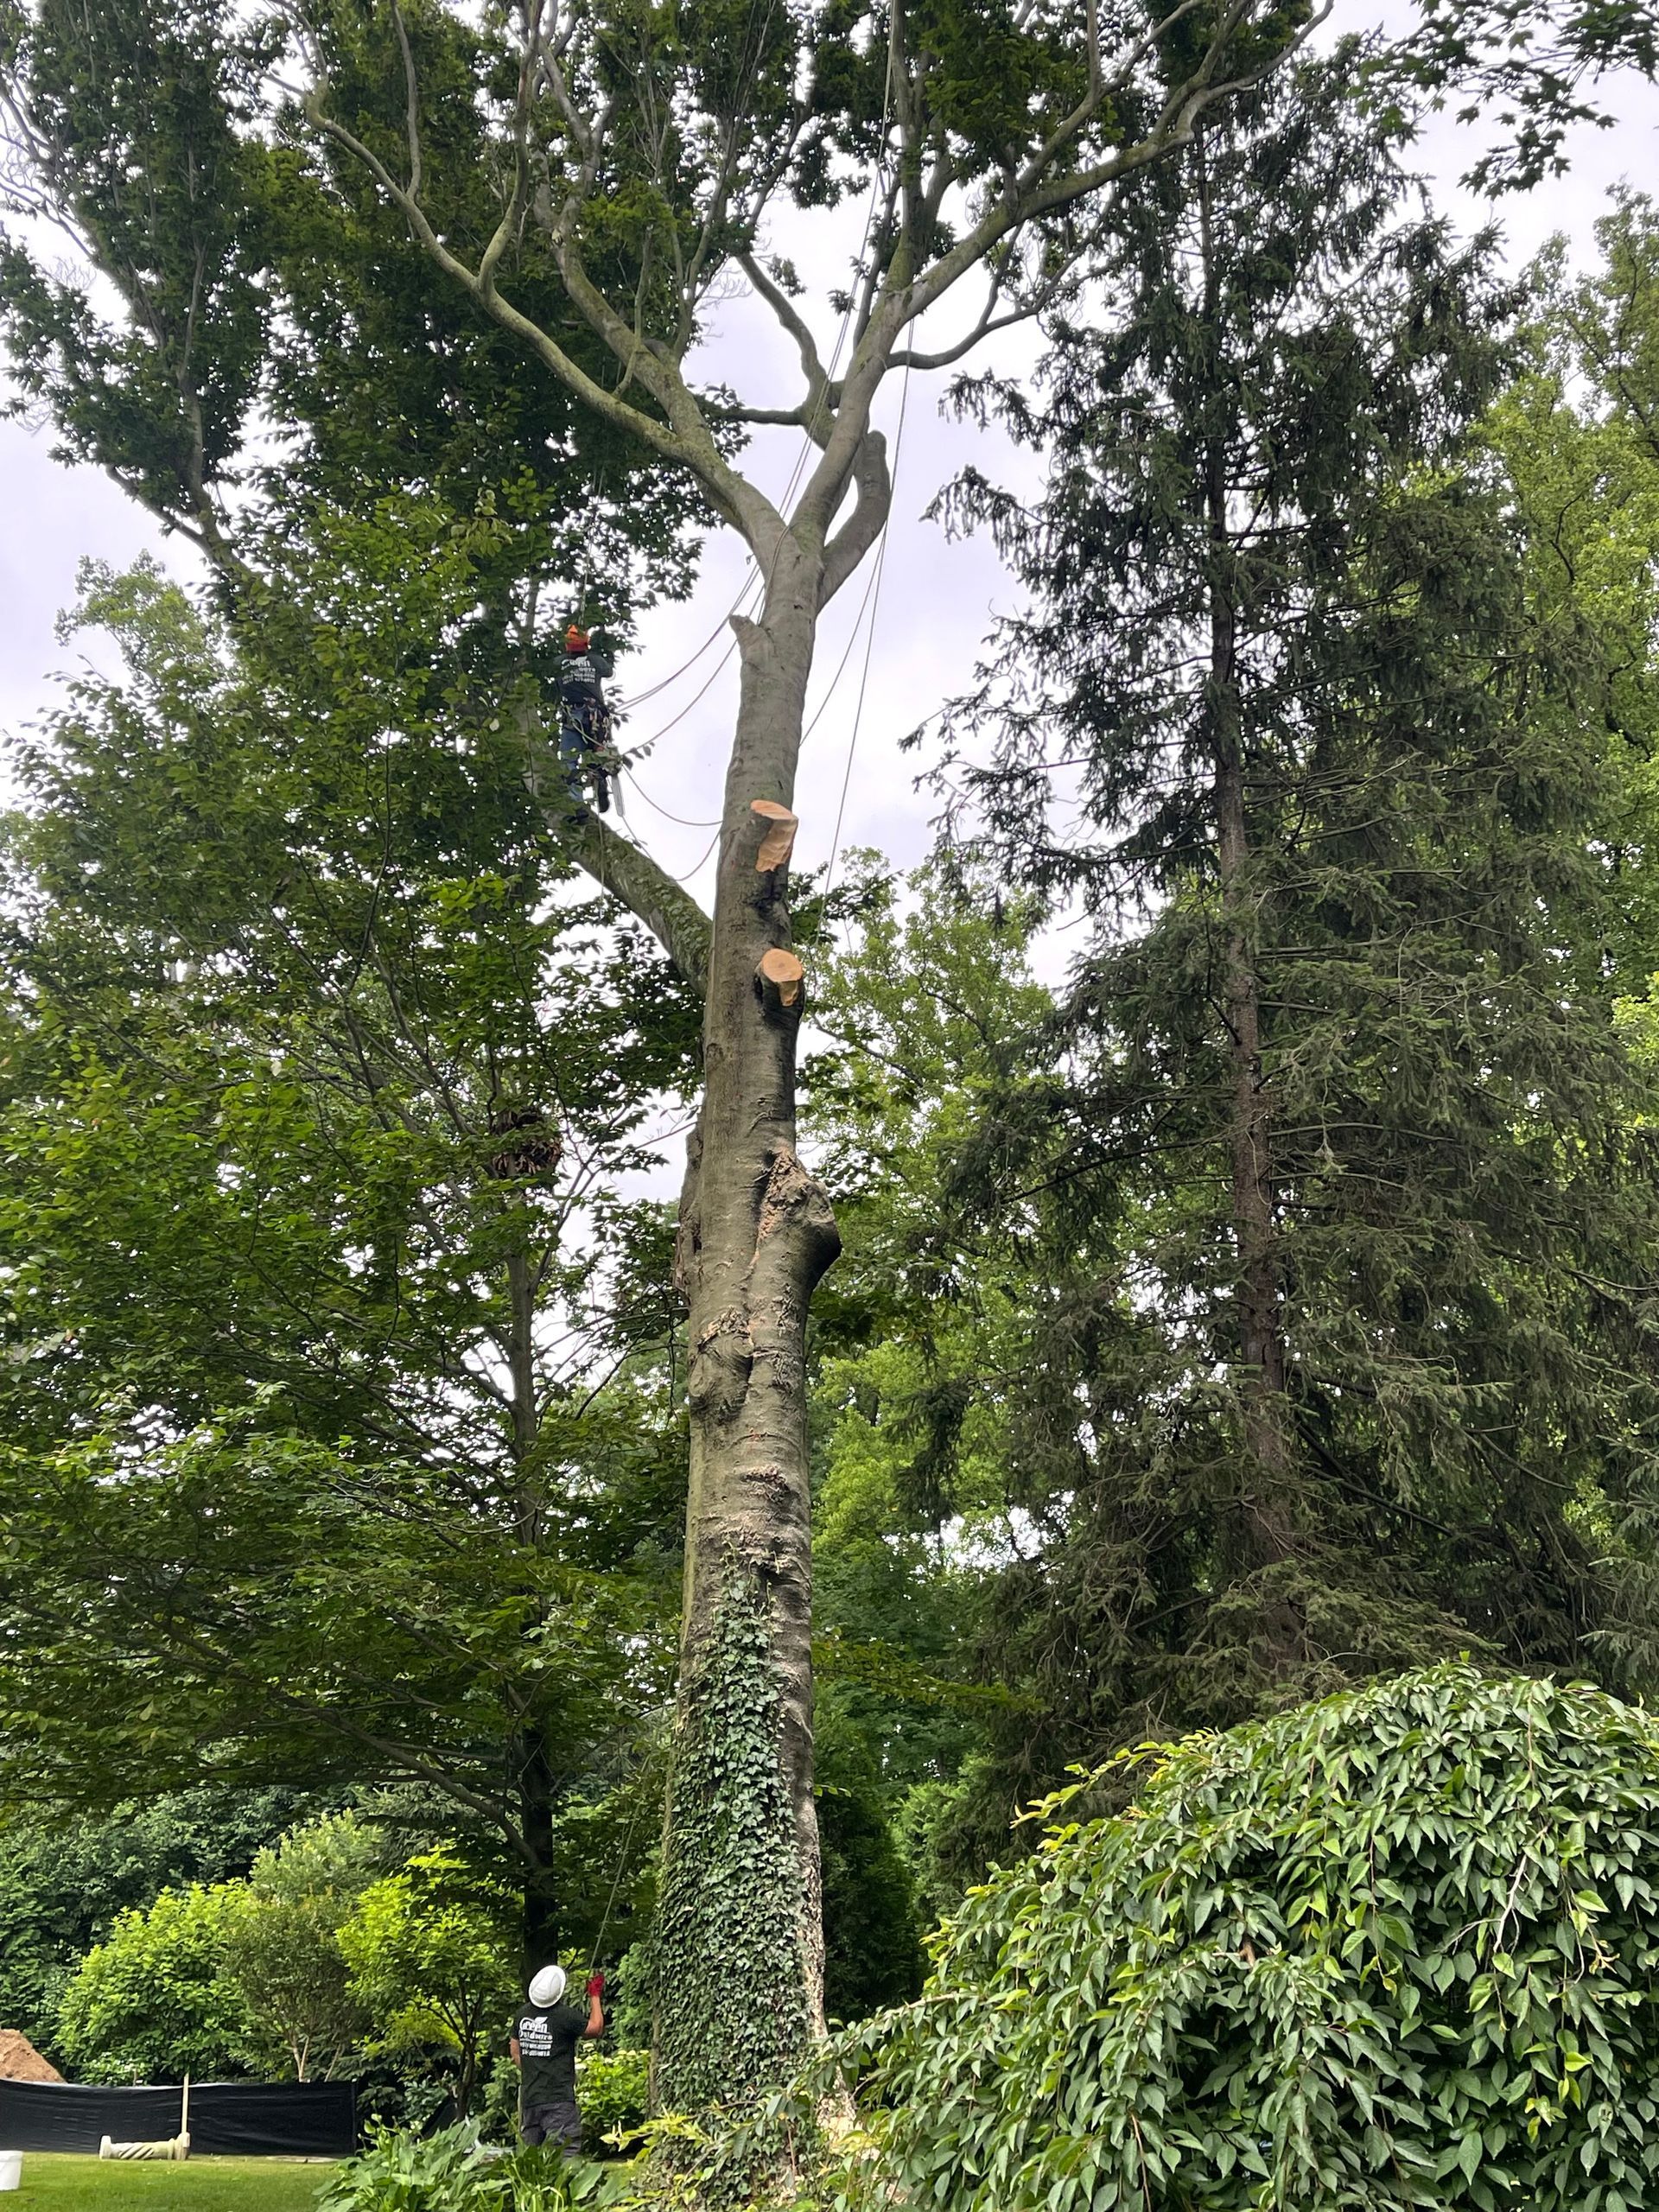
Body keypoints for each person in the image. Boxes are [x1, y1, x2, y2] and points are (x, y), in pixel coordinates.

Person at [510, 1961, 606, 2151]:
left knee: (531, 2155)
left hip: (530, 2098)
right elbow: (596, 2028)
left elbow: (515, 2053)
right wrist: (594, 1995)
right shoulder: (565, 2016)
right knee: (565, 2151)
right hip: (559, 2099)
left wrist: (534, 2066)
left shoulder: (521, 2015)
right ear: (559, 1992)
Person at [556, 624, 616, 816]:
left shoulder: (559, 663)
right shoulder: (595, 661)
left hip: (573, 717)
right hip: (595, 716)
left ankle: (577, 805)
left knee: (569, 761)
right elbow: (609, 672)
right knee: (598, 752)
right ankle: (599, 779)